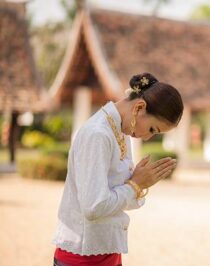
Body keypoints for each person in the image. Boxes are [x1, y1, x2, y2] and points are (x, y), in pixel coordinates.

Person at [52, 73, 184, 266]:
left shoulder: (120, 132)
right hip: (81, 257)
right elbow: (93, 207)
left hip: (108, 250)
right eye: (152, 130)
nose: (147, 138)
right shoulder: (97, 134)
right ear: (139, 107)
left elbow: (118, 202)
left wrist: (138, 184)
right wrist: (134, 185)